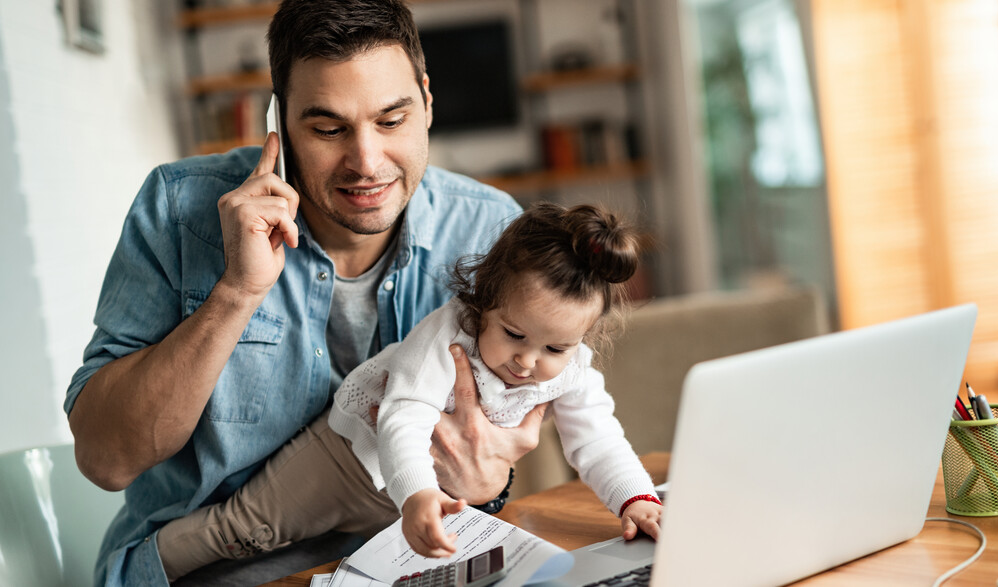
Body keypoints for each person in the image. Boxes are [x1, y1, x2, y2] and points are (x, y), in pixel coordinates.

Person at [64, 1, 545, 584]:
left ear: (426, 101)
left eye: (391, 121)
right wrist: (237, 292)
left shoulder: (490, 229)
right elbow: (106, 460)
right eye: (328, 129)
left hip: (415, 562)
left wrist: (491, 485)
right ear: (279, 122)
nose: (366, 162)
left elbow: (497, 447)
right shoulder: (178, 210)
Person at [155, 202, 663, 579]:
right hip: (348, 460)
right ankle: (143, 566)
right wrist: (418, 494)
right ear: (485, 300)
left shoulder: (573, 371)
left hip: (416, 499)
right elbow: (404, 416)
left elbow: (598, 439)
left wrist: (635, 500)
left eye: (555, 348)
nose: (527, 362)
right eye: (513, 334)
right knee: (244, 531)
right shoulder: (449, 334)